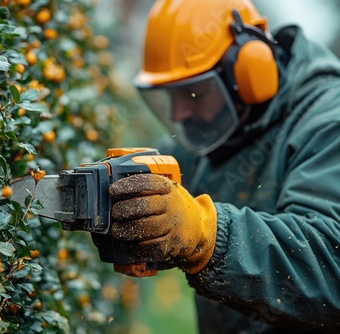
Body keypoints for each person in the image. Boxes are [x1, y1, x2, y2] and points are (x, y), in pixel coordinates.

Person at [93, 0, 340, 332]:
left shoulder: (328, 123)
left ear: (251, 74)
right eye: (171, 96)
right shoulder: (217, 128)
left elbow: (330, 264)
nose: (179, 113)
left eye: (193, 93)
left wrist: (205, 236)